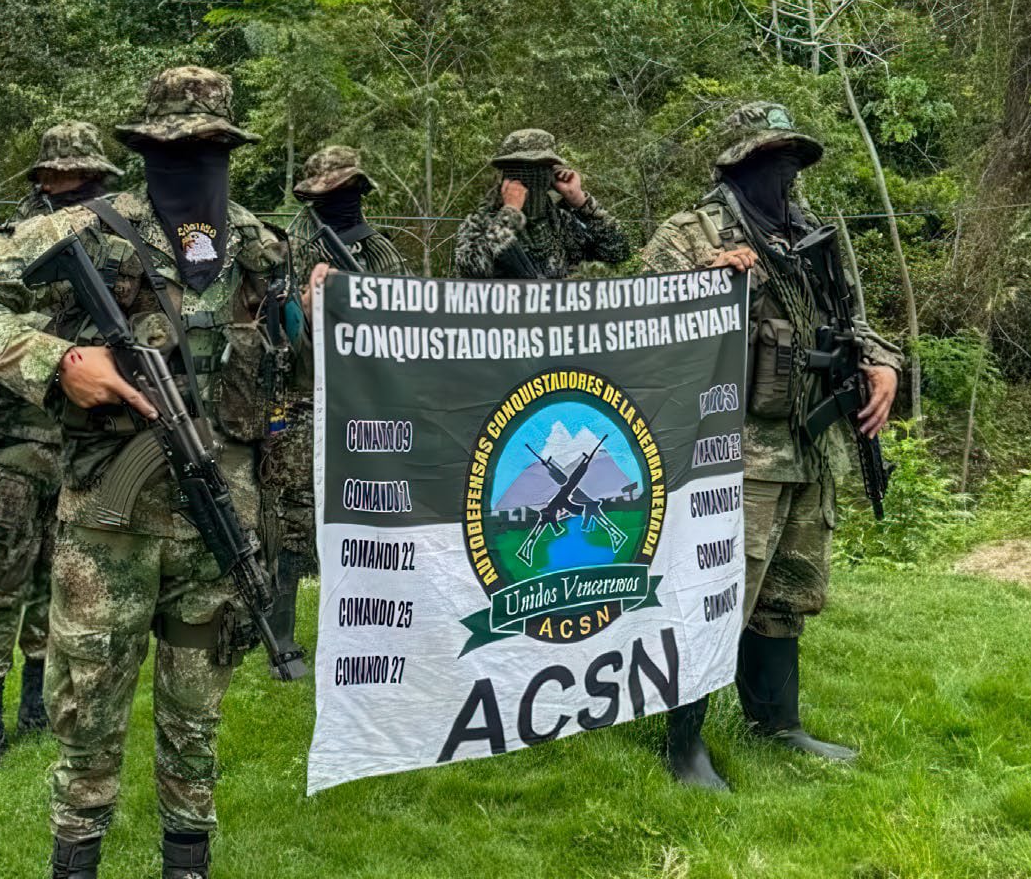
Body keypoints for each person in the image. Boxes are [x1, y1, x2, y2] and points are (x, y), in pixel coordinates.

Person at [0, 66, 317, 879]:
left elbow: (294, 380)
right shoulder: (85, 229)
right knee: (87, 711)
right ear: (143, 149)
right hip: (105, 531)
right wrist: (56, 360)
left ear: (230, 148)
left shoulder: (262, 249)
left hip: (221, 531)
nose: (194, 163)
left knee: (196, 719)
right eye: (173, 148)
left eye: (210, 148)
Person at [638, 101, 902, 791]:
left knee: (787, 589)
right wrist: (706, 282)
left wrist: (883, 362)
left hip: (810, 438)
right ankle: (682, 742)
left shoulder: (810, 233)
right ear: (736, 164)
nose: (783, 173)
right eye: (768, 159)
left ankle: (776, 724)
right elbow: (638, 324)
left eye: (791, 160)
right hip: (730, 448)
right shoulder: (690, 233)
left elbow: (853, 320)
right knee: (717, 590)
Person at [0, 121, 122, 776]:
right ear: (42, 181)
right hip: (14, 445)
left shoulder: (113, 248)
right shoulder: (7, 248)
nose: (75, 192)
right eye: (65, 181)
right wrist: (54, 351)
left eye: (89, 183)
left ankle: (33, 707)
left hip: (81, 448)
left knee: (60, 586)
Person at [263, 144, 408, 645]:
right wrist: (304, 303)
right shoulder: (283, 246)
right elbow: (270, 329)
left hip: (367, 399)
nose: (344, 198)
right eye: (332, 191)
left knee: (372, 512)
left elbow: (408, 311)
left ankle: (368, 630)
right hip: (302, 395)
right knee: (292, 518)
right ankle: (281, 637)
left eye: (350, 189)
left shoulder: (380, 247)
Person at [452, 128, 630, 279]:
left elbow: (617, 252)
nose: (528, 178)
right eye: (517, 169)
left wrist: (580, 201)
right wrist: (510, 213)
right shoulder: (480, 223)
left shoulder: (561, 222)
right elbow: (473, 271)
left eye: (540, 169)